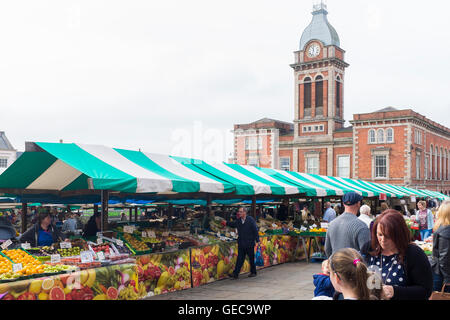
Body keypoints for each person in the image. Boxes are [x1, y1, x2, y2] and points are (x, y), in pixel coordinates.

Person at [361, 209, 433, 300]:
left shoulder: (414, 254)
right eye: (380, 235)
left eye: (388, 236)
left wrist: (395, 291)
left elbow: (425, 290)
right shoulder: (369, 248)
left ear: (399, 234)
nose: (383, 240)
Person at [325, 192, 370, 258]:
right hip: (353, 266)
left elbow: (327, 250)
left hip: (335, 265)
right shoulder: (361, 226)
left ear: (343, 204)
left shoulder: (332, 224)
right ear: (358, 204)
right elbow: (366, 253)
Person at [221, 206, 260, 279]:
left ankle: (253, 272)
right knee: (240, 259)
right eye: (239, 212)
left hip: (249, 243)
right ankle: (235, 274)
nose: (239, 213)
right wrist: (226, 223)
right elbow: (233, 224)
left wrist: (257, 240)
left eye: (241, 212)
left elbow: (255, 230)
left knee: (251, 258)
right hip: (241, 243)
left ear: (245, 212)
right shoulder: (239, 221)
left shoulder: (250, 220)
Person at [431, 200, 450, 293]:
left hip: (439, 272)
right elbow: (444, 257)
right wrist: (447, 278)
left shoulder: (441, 226)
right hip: (443, 274)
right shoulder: (446, 230)